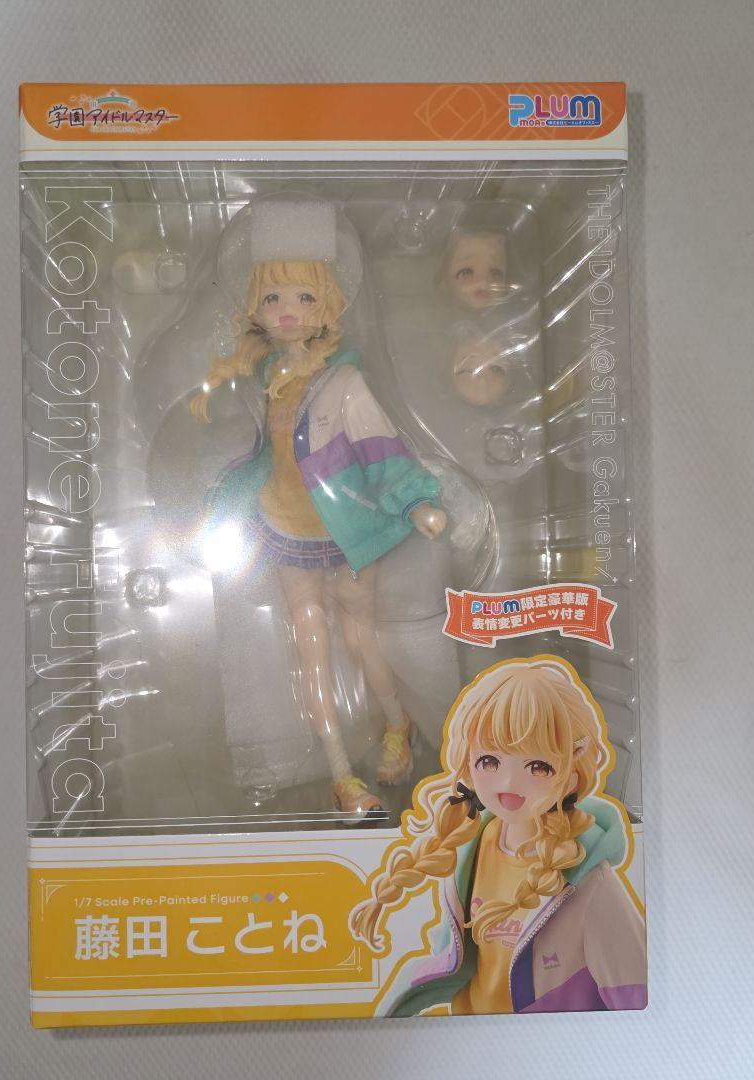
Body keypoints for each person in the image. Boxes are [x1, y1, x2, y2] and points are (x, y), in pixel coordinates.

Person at [192, 199, 448, 822]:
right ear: (255, 306)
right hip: (284, 528)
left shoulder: (344, 383)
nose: (287, 311)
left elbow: (381, 447)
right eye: (273, 297)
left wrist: (417, 502)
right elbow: (261, 451)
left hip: (349, 529)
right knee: (309, 644)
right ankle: (340, 774)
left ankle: (396, 724)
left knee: (359, 635)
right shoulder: (264, 378)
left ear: (329, 304)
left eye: (305, 297)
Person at [349, 656, 646, 1012]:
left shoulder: (590, 884)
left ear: (571, 773)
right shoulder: (474, 844)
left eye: (538, 766)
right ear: (468, 763)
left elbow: (637, 997)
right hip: (472, 1028)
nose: (508, 782)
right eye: (489, 761)